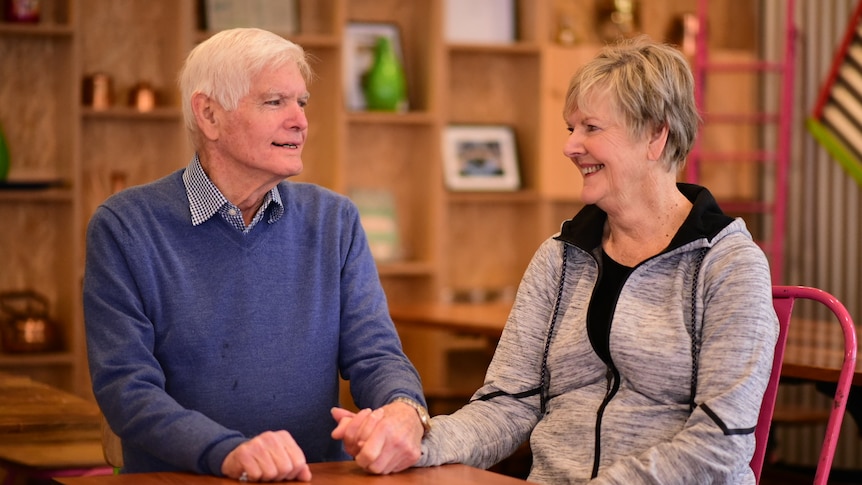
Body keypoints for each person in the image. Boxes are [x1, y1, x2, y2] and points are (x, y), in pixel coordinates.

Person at [333, 36, 779, 484]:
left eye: (591, 128)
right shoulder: (560, 257)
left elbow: (721, 441)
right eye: (571, 129)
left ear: (656, 135)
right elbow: (509, 403)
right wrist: (414, 442)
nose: (570, 146)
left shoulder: (729, 264)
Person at [83, 28, 429, 482]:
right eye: (274, 102)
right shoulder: (125, 226)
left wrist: (405, 408)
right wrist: (229, 452)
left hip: (316, 477)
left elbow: (376, 356)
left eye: (301, 103)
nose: (300, 121)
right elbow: (127, 390)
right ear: (209, 115)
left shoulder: (335, 220)